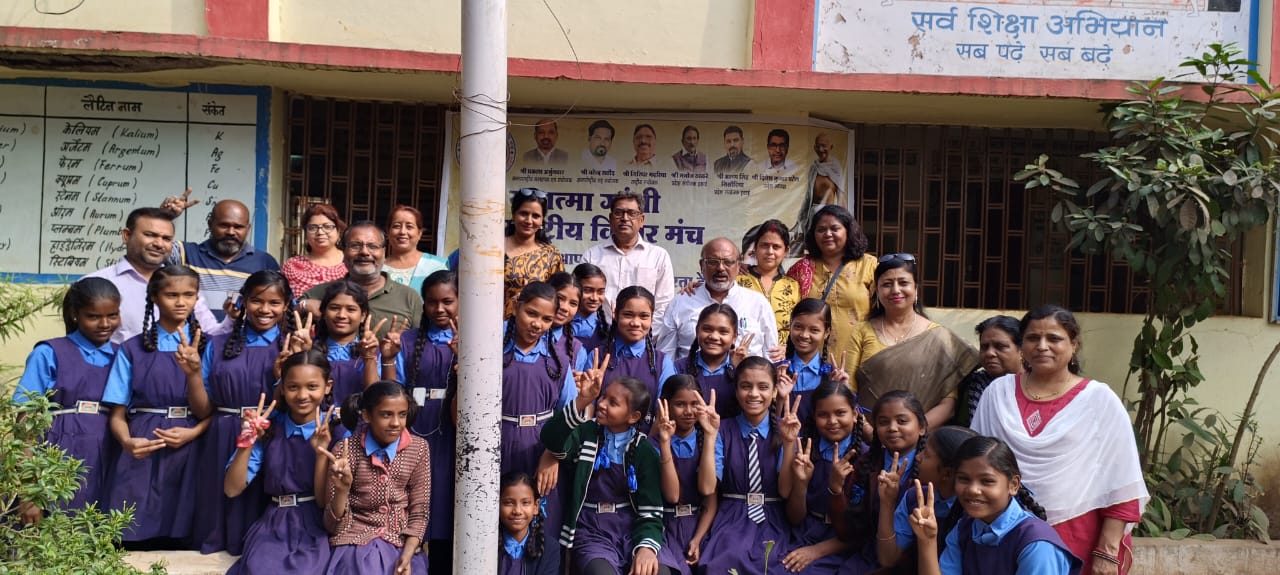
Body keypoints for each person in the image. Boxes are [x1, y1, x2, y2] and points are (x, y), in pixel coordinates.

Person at [972, 306, 1147, 575]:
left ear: (1074, 344)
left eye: (1054, 338)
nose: (1042, 346)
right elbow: (975, 462)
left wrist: (1108, 552)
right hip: (1003, 532)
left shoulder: (1099, 400)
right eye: (1032, 338)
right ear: (1022, 345)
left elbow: (1121, 482)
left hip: (1078, 533)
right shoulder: (997, 394)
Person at [102, 265, 212, 547]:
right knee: (131, 533)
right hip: (142, 445)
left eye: (189, 295)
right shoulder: (133, 348)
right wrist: (127, 441)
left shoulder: (209, 346)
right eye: (171, 294)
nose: (180, 302)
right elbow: (117, 412)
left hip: (190, 445)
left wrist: (194, 375)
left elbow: (209, 412)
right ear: (154, 298)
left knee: (184, 536)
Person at [191, 270, 296, 554]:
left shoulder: (290, 346)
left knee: (260, 504)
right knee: (219, 504)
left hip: (271, 433)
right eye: (256, 301)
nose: (265, 309)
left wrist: (282, 373)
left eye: (274, 303)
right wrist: (192, 374)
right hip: (223, 432)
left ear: (286, 305)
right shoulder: (218, 344)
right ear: (244, 302)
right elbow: (203, 407)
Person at [13, 277, 121, 522]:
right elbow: (25, 423)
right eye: (93, 316)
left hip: (106, 454)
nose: (105, 324)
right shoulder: (49, 353)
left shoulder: (122, 356)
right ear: (74, 314)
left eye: (113, 315)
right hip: (57, 452)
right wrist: (30, 492)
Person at [224, 350, 337, 575]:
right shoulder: (270, 429)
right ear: (283, 388)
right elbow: (231, 489)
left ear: (328, 387)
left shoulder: (338, 430)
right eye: (293, 387)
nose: (302, 395)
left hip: (317, 523)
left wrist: (321, 453)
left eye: (312, 387)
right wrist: (247, 440)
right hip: (274, 523)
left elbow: (325, 501)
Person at [542, 371, 664, 575]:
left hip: (630, 529)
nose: (602, 404)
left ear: (633, 417)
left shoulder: (644, 451)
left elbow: (651, 511)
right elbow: (551, 439)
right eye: (603, 397)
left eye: (613, 403)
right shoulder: (586, 433)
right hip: (590, 529)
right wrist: (582, 400)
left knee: (658, 571)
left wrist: (646, 548)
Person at [909, 436, 1082, 575]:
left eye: (987, 481)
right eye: (964, 479)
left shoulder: (1036, 544)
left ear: (1013, 485)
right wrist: (927, 541)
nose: (973, 490)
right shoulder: (965, 528)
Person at [846, 254, 977, 430]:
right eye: (886, 284)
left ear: (916, 289)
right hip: (868, 444)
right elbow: (848, 394)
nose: (895, 290)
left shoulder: (939, 337)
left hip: (923, 444)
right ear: (876, 291)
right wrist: (875, 436)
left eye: (903, 282)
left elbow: (948, 405)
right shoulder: (861, 332)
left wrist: (913, 433)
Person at [317, 382, 430, 575]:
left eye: (402, 414)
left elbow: (420, 511)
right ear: (367, 415)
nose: (396, 423)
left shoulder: (418, 449)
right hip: (354, 545)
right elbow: (332, 525)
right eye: (386, 414)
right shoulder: (345, 451)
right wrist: (342, 490)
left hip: (402, 544)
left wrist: (408, 553)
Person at [389, 270, 459, 575]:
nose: (440, 309)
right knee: (414, 500)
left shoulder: (472, 339)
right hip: (415, 429)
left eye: (448, 301)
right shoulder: (407, 340)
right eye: (432, 302)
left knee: (445, 505)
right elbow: (395, 389)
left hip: (452, 432)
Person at [698, 356, 791, 575]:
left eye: (763, 387)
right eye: (746, 386)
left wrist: (788, 444)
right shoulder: (723, 429)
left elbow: (786, 491)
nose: (754, 394)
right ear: (736, 390)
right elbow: (706, 488)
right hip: (732, 516)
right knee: (724, 561)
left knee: (775, 565)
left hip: (773, 517)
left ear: (775, 391)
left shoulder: (785, 431)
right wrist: (710, 437)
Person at [86, 207, 231, 344]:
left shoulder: (182, 285)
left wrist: (233, 317)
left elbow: (212, 334)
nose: (159, 244)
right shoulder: (97, 283)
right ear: (126, 235)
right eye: (150, 235)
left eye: (167, 238)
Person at [832, 390, 928, 574]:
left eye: (902, 421)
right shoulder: (867, 463)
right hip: (869, 551)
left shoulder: (929, 469)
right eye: (883, 422)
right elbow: (853, 527)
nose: (892, 428)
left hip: (911, 560)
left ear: (921, 427)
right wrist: (836, 490)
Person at [779, 380, 865, 574]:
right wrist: (801, 484)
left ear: (855, 414)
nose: (832, 421)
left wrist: (816, 551)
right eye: (823, 415)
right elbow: (795, 518)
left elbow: (862, 531)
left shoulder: (866, 460)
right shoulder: (806, 453)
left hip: (841, 543)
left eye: (840, 413)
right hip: (805, 532)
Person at [159, 192, 281, 321]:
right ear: (210, 224)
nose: (231, 232)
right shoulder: (185, 253)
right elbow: (150, 247)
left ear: (248, 229)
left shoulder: (265, 262)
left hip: (242, 340)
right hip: (192, 340)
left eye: (238, 227)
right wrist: (164, 217)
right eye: (224, 225)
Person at [656, 237, 778, 361]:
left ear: (738, 266)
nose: (720, 268)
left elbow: (772, 356)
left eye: (728, 262)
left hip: (745, 379)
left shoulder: (758, 303)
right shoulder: (681, 302)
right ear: (702, 265)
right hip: (691, 378)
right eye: (713, 262)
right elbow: (665, 356)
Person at [876, 426, 977, 571]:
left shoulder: (972, 515)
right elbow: (888, 559)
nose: (918, 457)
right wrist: (887, 502)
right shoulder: (915, 497)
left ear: (947, 474)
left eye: (927, 454)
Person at [785, 205, 876, 365]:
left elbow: (882, 312)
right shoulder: (801, 269)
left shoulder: (868, 265)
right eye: (821, 229)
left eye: (835, 228)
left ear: (848, 231)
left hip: (858, 357)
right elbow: (784, 307)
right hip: (809, 361)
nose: (828, 234)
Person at [302, 221, 423, 338]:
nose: (364, 252)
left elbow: (423, 343)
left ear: (384, 252)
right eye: (355, 246)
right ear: (343, 251)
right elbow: (287, 330)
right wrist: (303, 306)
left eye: (372, 246)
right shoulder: (319, 294)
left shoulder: (408, 298)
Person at [653, 375, 718, 575]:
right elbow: (672, 496)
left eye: (695, 404)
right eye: (680, 404)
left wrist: (709, 436)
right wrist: (665, 445)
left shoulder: (710, 440)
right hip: (665, 527)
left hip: (699, 525)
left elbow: (708, 492)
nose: (688, 412)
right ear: (666, 405)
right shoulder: (653, 445)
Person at [582, 190, 676, 324]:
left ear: (642, 220)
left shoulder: (658, 256)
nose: (625, 218)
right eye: (619, 213)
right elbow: (583, 300)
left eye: (632, 213)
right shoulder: (592, 256)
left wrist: (643, 336)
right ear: (610, 218)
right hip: (597, 337)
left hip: (642, 338)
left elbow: (664, 306)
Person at [596, 286, 676, 425]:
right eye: (628, 315)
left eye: (644, 316)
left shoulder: (662, 363)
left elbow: (662, 415)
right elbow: (589, 406)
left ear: (652, 318)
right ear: (615, 314)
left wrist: (645, 445)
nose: (635, 323)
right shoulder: (597, 356)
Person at [776, 299, 852, 424]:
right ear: (790, 325)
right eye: (798, 327)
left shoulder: (833, 376)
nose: (805, 335)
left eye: (814, 330)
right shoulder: (778, 372)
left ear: (826, 332)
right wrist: (779, 398)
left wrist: (842, 390)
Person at [735, 220, 802, 345]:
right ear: (755, 248)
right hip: (743, 358)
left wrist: (787, 349)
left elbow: (798, 325)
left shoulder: (793, 286)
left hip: (780, 359)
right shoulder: (737, 280)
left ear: (786, 251)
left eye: (776, 247)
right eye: (764, 245)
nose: (770, 251)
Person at [504, 188, 565, 319]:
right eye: (524, 213)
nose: (529, 221)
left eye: (536, 216)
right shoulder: (492, 248)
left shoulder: (551, 256)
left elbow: (558, 298)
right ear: (514, 215)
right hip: (489, 327)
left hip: (535, 330)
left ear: (542, 221)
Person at [952, 316, 1021, 427]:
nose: (989, 353)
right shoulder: (972, 385)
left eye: (1000, 346)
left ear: (1021, 350)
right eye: (984, 347)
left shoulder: (1036, 385)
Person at [671, 304, 740, 416]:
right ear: (697, 330)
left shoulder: (741, 369)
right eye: (707, 329)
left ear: (734, 337)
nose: (714, 336)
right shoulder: (678, 368)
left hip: (733, 433)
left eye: (723, 332)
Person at [791, 133, 845, 255]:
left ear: (831, 147)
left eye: (824, 146)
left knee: (826, 250)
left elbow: (841, 198)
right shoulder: (814, 167)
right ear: (814, 147)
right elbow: (808, 197)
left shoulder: (836, 167)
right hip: (812, 216)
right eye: (818, 146)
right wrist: (800, 220)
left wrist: (844, 222)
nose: (821, 150)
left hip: (828, 216)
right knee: (811, 250)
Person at [498, 471, 560, 575]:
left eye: (525, 503)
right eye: (509, 503)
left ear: (536, 507)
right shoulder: (486, 544)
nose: (517, 511)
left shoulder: (549, 548)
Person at [282, 203, 349, 294]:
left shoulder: (351, 262)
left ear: (338, 232)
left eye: (327, 227)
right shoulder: (292, 266)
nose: (320, 232)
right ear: (306, 234)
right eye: (313, 228)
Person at [383, 205, 448, 293]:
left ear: (419, 233)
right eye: (396, 226)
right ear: (388, 231)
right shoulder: (378, 268)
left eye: (409, 227)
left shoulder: (437, 266)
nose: (402, 232)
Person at [572, 263, 611, 352]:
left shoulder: (606, 330)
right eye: (587, 290)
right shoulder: (559, 325)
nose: (594, 298)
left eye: (600, 292)